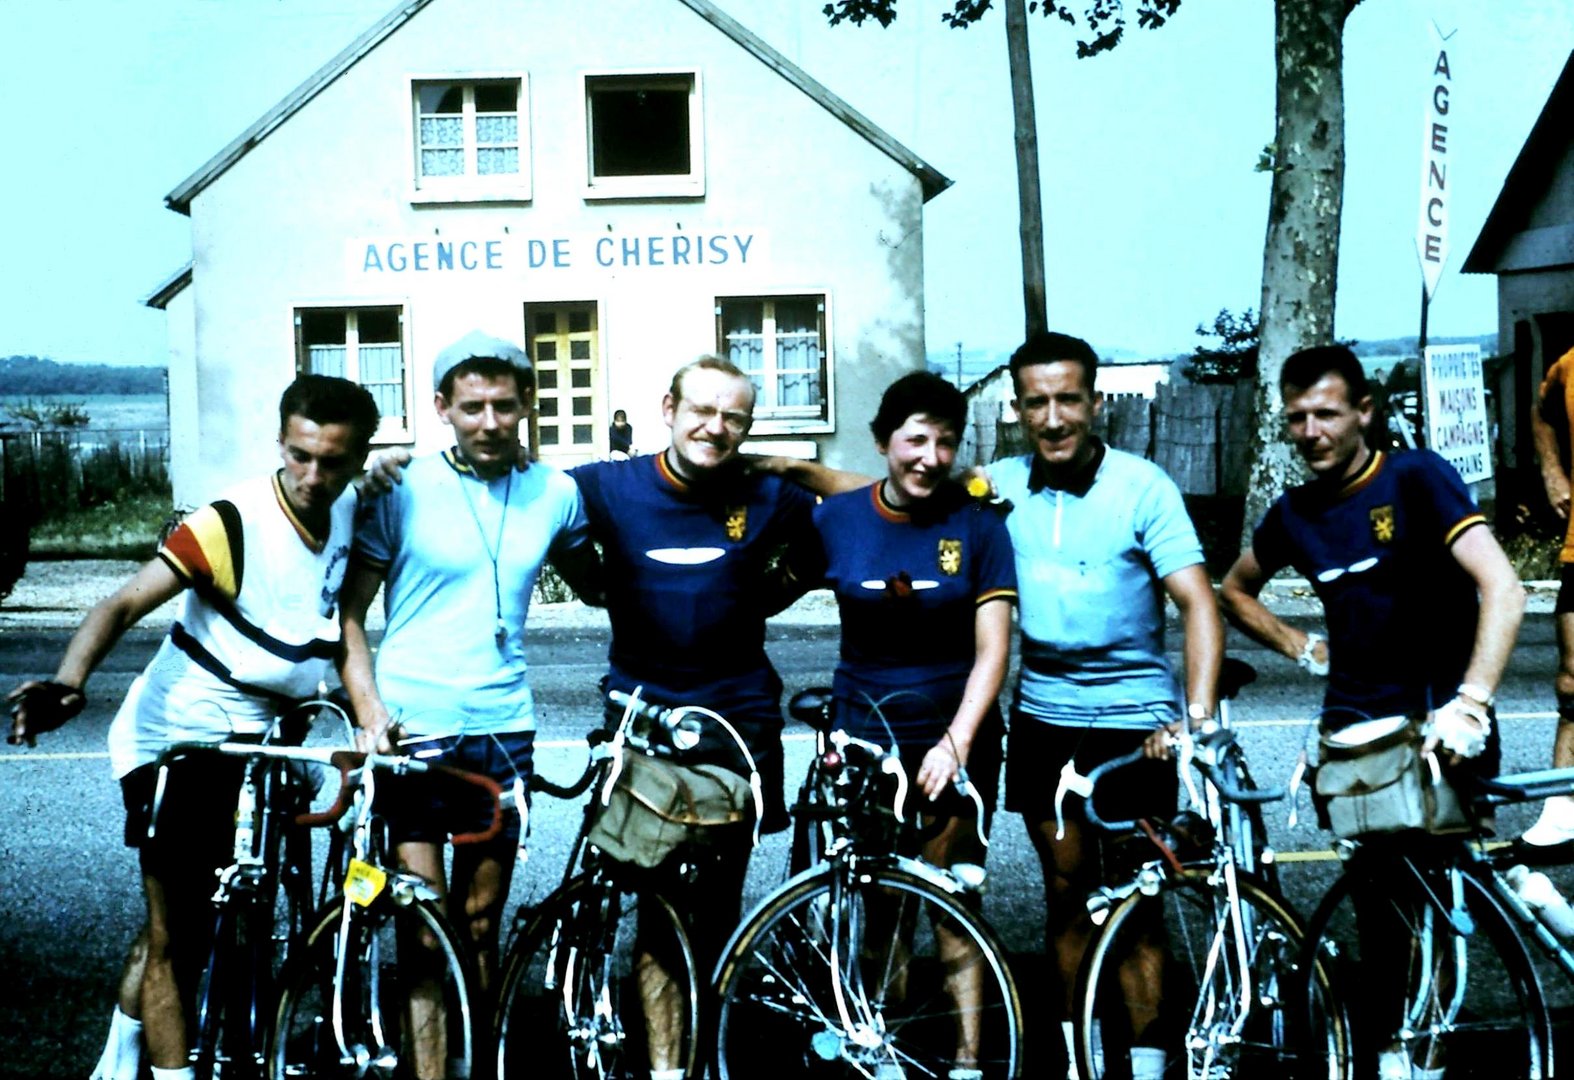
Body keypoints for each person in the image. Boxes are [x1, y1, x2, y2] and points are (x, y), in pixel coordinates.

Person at [759, 333, 1223, 1080]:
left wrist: (1194, 720)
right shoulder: (994, 484)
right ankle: (1077, 1062)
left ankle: (1144, 1065)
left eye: (1068, 398)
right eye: (1038, 401)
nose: (1055, 416)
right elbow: (884, 483)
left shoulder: (1143, 488)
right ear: (1018, 410)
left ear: (1094, 401)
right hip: (1044, 717)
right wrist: (781, 464)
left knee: (1136, 906)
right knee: (1067, 897)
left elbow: (1201, 602)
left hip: (1138, 724)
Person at [7, 375, 379, 1080]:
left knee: (194, 921)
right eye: (300, 455)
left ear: (358, 458)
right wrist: (69, 683)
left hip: (263, 736)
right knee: (180, 928)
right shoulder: (229, 521)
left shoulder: (354, 504)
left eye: (333, 461)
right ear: (281, 440)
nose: (313, 476)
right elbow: (121, 604)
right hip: (179, 733)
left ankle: (117, 1062)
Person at [1219, 343, 1524, 1079]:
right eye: (1297, 418)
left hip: (1437, 727)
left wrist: (1472, 703)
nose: (1311, 431)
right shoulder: (1293, 514)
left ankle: (1428, 1047)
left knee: (1434, 897)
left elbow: (1504, 588)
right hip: (1353, 735)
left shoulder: (1415, 477)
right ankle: (1394, 1050)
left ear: (1365, 412)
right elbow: (1233, 589)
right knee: (1378, 905)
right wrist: (1303, 648)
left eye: (1327, 413)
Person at [338, 331, 599, 1011]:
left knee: (480, 928)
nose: (490, 422)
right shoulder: (400, 488)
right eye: (473, 407)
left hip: (503, 728)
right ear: (441, 408)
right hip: (411, 727)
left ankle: (476, 1059)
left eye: (505, 407)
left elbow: (605, 584)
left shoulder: (556, 493)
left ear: (527, 408)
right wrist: (369, 712)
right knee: (423, 931)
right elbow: (349, 615)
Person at [777, 370, 1016, 1078]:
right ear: (884, 443)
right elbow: (762, 579)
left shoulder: (979, 523)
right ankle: (883, 1049)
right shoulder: (839, 517)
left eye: (946, 443)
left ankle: (970, 1057)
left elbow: (994, 649)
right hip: (863, 737)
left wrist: (956, 744)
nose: (930, 457)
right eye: (916, 439)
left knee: (951, 902)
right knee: (878, 908)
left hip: (956, 738)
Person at [1526, 344, 1574, 844]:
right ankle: (1562, 815)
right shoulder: (1570, 364)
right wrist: (1551, 470)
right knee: (1571, 683)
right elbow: (1542, 414)